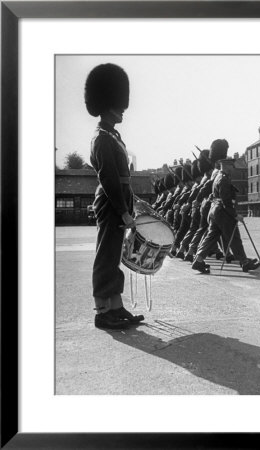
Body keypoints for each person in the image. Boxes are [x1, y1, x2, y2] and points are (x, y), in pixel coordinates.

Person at [85, 63, 144, 330]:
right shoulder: (101, 138)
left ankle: (116, 307)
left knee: (114, 255)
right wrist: (122, 210)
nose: (123, 110)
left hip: (119, 200)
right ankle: (101, 311)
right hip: (111, 203)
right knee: (105, 256)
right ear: (108, 104)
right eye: (119, 105)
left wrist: (131, 204)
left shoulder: (112, 135)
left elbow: (123, 179)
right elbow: (109, 179)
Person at [192, 153, 260, 274]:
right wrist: (235, 215)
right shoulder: (223, 179)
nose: (233, 168)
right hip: (223, 213)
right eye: (232, 165)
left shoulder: (218, 176)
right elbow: (226, 201)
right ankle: (244, 263)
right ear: (227, 166)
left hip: (214, 211)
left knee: (211, 237)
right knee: (234, 237)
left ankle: (198, 260)